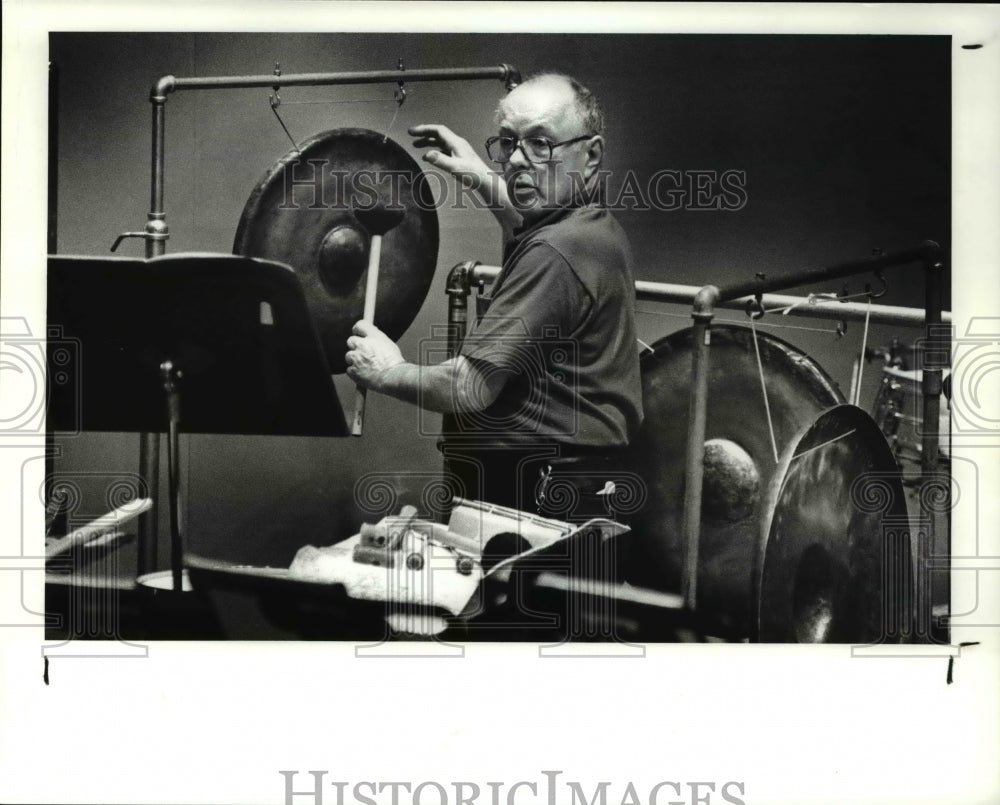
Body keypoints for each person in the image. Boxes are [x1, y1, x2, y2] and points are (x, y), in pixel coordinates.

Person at [346, 72, 643, 520]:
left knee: (514, 593)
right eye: (508, 142)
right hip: (573, 486)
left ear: (591, 155)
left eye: (540, 143)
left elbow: (469, 387)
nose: (518, 161)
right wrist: (481, 176)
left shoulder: (557, 253)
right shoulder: (589, 229)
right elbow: (525, 225)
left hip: (538, 492)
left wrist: (387, 371)